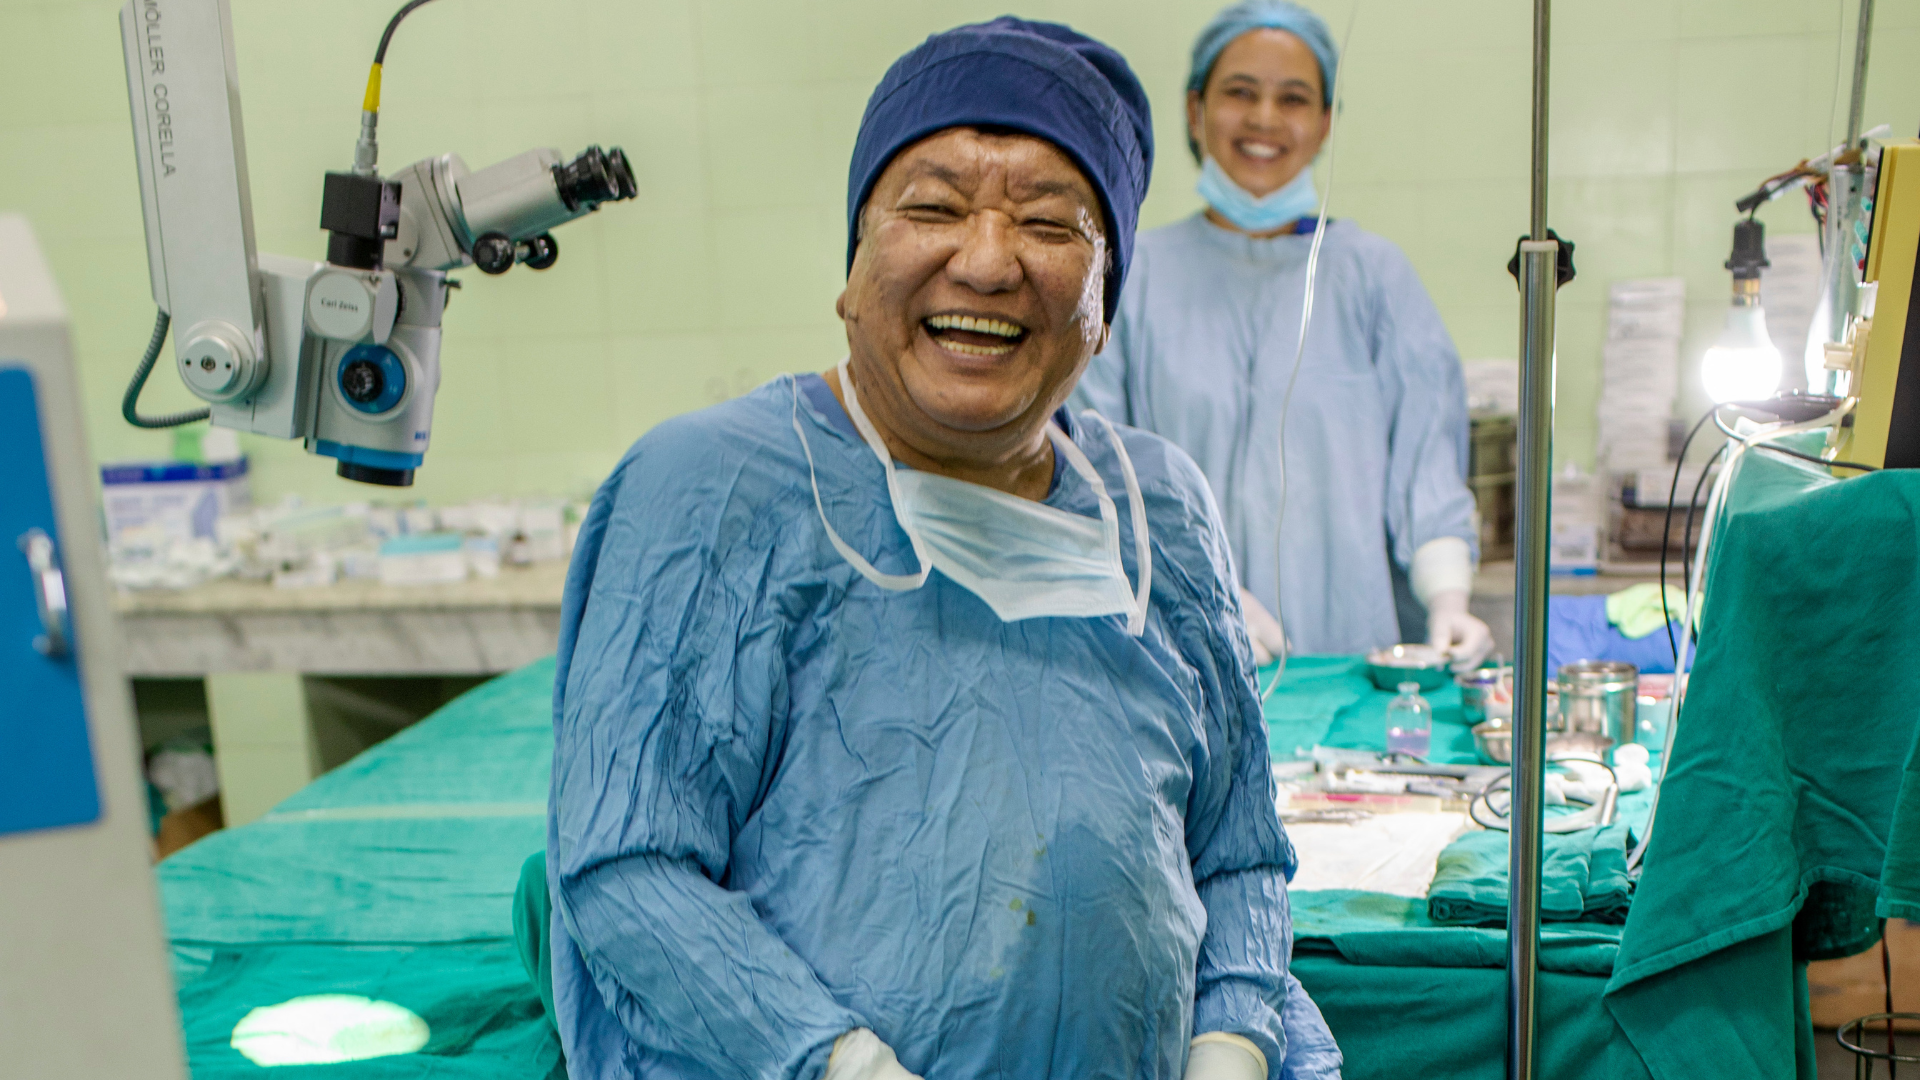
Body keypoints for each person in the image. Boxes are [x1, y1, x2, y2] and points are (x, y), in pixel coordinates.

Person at [530, 17, 1342, 1080]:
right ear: (856, 263)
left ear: (1105, 304)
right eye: (933, 208)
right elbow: (628, 870)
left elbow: (1236, 856)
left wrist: (1231, 1041)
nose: (988, 261)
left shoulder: (1159, 508)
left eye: (1051, 225)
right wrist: (842, 1065)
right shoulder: (713, 488)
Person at [1073, 0, 1492, 665]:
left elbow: (1427, 467)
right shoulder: (1133, 276)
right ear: (1195, 109)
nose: (1265, 118)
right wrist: (1198, 588)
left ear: (1325, 123)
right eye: (1241, 93)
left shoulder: (1371, 275)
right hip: (1179, 654)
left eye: (1293, 98)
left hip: (1350, 658)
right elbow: (1095, 469)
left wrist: (1449, 600)